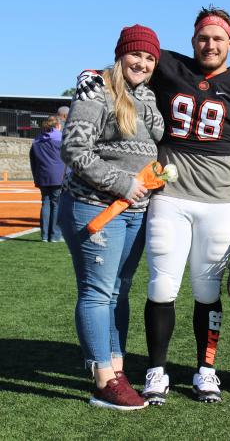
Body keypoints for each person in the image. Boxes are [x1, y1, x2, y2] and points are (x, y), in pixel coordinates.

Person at [76, 7, 230, 404]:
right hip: (169, 197)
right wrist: (91, 75)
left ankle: (206, 369)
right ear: (193, 40)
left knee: (206, 290)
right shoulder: (168, 66)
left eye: (218, 38)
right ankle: (156, 370)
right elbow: (128, 59)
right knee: (162, 285)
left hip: (218, 203)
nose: (210, 44)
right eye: (204, 37)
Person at [59, 24, 164, 410]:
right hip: (95, 207)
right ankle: (102, 378)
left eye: (150, 57)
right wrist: (120, 182)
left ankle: (117, 369)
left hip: (135, 211)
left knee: (118, 292)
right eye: (136, 54)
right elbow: (73, 149)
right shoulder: (96, 91)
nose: (142, 62)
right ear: (121, 54)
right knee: (97, 291)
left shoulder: (147, 95)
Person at [29, 115, 65, 242]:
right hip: (59, 176)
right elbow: (68, 158)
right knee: (56, 204)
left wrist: (36, 177)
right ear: (57, 125)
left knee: (45, 203)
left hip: (42, 176)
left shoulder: (37, 140)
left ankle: (44, 235)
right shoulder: (61, 138)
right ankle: (54, 235)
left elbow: (32, 161)